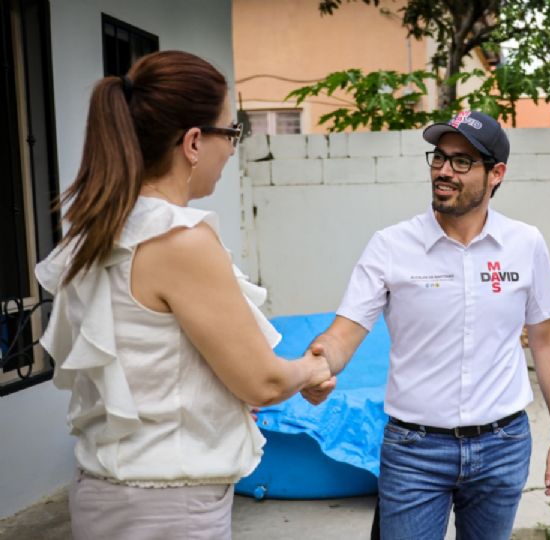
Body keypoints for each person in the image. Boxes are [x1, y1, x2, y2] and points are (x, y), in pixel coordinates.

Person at [35, 50, 332, 540]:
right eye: (231, 133)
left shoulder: (102, 226)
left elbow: (154, 367)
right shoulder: (178, 238)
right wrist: (312, 369)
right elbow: (261, 380)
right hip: (168, 509)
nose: (232, 148)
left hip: (108, 493)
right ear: (194, 141)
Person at [302, 110, 550, 540]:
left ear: (496, 174)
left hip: (504, 445)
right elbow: (345, 332)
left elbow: (545, 340)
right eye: (439, 157)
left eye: (462, 161)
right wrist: (317, 366)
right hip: (415, 452)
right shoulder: (391, 245)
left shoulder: (525, 244)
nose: (444, 171)